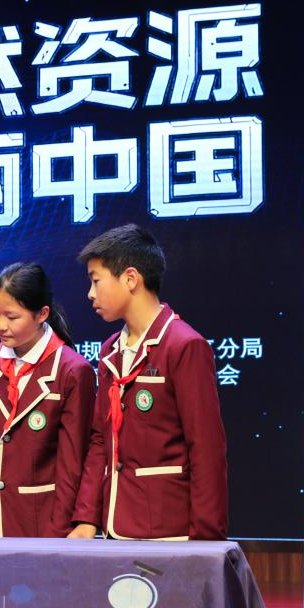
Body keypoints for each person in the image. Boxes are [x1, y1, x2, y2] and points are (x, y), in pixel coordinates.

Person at [68, 224, 228, 541]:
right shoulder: (110, 350)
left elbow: (206, 448)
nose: (90, 293)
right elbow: (100, 439)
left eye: (96, 280)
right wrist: (86, 517)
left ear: (130, 278)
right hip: (116, 527)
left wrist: (206, 541)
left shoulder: (184, 345)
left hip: (169, 534)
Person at [0, 262, 95, 537]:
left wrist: (59, 534)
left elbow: (72, 464)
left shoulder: (73, 371)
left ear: (42, 314)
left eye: (12, 317)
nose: (0, 325)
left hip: (39, 526)